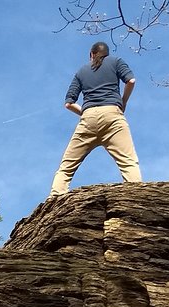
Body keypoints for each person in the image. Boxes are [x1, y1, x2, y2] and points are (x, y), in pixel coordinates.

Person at [49, 42, 142, 196]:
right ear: (107, 53)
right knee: (128, 162)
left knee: (66, 167)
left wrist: (86, 113)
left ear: (91, 54)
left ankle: (55, 198)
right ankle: (136, 197)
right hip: (113, 115)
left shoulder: (81, 72)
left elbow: (68, 103)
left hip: (88, 118)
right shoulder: (116, 61)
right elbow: (131, 81)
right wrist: (123, 102)